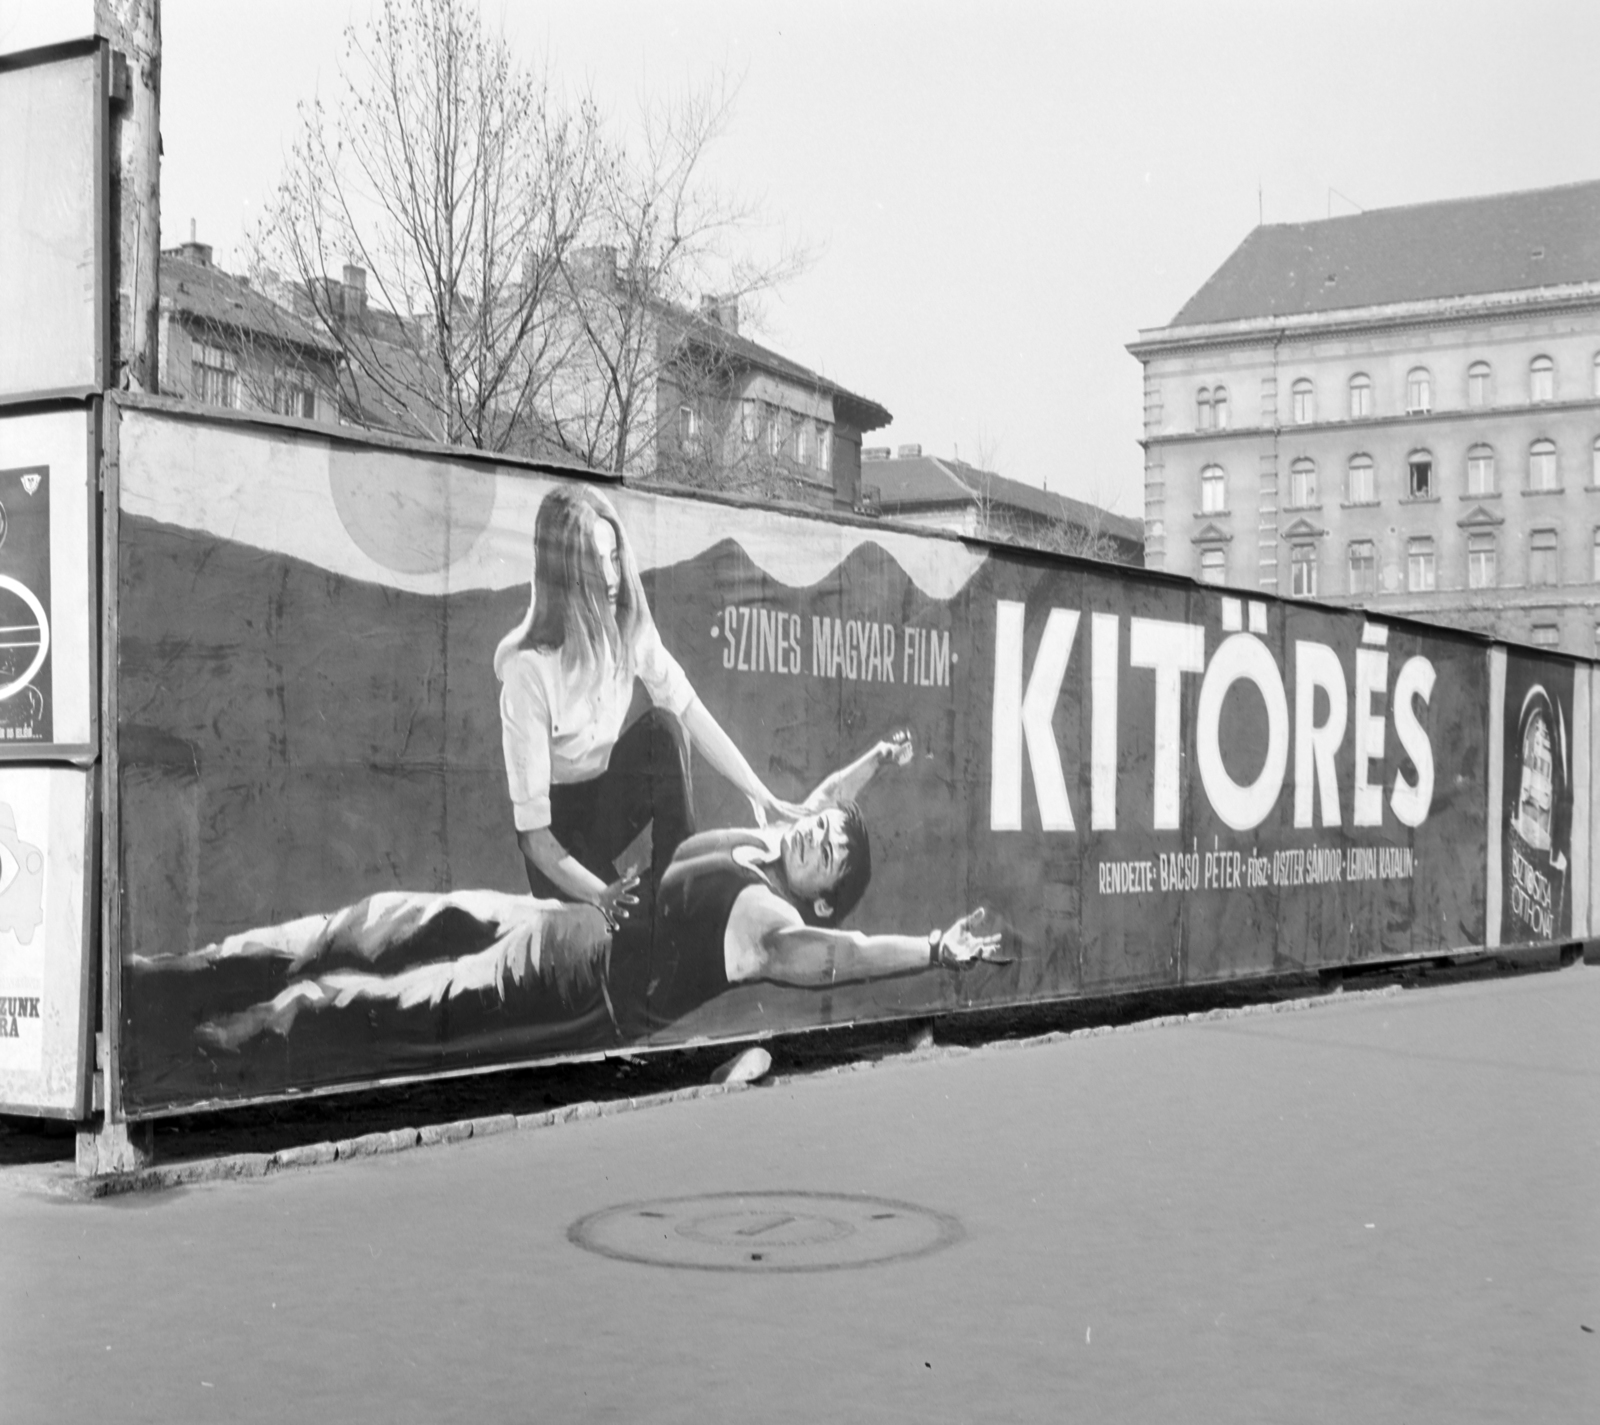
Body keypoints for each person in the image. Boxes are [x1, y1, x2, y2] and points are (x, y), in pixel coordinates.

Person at [163, 731, 1003, 1054]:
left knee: (357, 998)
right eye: (828, 826)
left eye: (835, 851)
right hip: (555, 921)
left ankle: (218, 1035)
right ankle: (188, 972)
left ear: (822, 896)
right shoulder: (765, 837)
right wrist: (873, 768)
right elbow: (822, 800)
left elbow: (840, 958)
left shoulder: (770, 921)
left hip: (570, 987)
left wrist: (934, 948)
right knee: (370, 922)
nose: (825, 832)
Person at [494, 484, 800, 930]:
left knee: (664, 729)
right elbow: (534, 839)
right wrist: (600, 893)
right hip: (558, 847)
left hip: (603, 806)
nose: (611, 576)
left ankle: (680, 892)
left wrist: (759, 792)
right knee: (623, 949)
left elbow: (689, 708)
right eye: (593, 562)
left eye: (614, 557)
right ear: (564, 573)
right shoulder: (529, 674)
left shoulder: (629, 633)